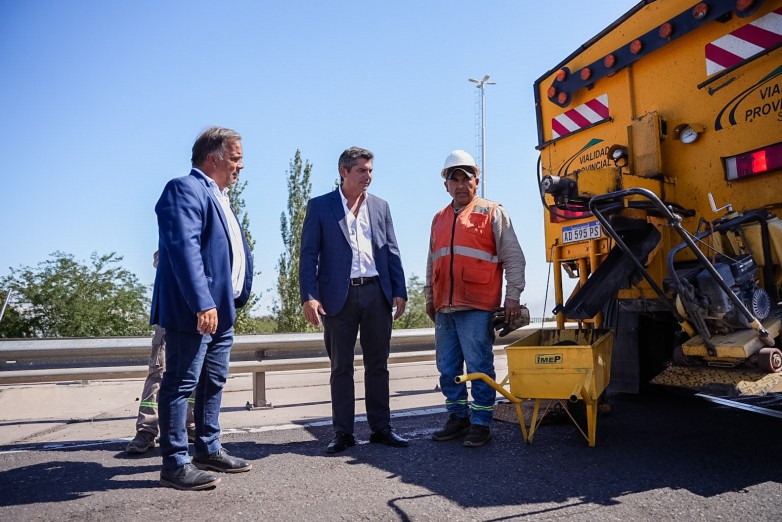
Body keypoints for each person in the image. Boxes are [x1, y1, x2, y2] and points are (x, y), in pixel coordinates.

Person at [151, 126, 254, 490]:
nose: (241, 166)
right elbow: (184, 249)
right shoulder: (184, 188)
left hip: (221, 310)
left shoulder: (219, 195)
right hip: (194, 311)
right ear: (214, 158)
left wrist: (233, 297)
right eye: (236, 157)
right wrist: (203, 302)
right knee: (181, 383)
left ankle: (207, 448)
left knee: (213, 380)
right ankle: (175, 462)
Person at [299, 146, 408, 453]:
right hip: (338, 297)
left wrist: (399, 289)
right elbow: (308, 256)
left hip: (377, 293)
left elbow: (391, 250)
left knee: (378, 365)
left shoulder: (380, 206)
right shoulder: (320, 207)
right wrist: (309, 297)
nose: (368, 176)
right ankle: (343, 432)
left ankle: (381, 428)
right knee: (341, 367)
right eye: (362, 170)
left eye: (371, 170)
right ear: (343, 172)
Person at [425, 150, 526, 448]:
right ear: (445, 185)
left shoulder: (493, 212)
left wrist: (513, 296)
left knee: (479, 366)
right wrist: (430, 297)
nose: (459, 185)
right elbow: (432, 261)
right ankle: (457, 417)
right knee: (447, 367)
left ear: (476, 182)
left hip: (477, 305)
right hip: (445, 306)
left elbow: (513, 258)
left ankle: (481, 422)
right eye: (453, 179)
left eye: (465, 178)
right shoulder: (439, 219)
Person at [126, 252, 195, 455]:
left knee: (195, 375)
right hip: (171, 313)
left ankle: (190, 425)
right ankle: (147, 430)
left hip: (200, 313)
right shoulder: (175, 227)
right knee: (158, 373)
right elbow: (161, 260)